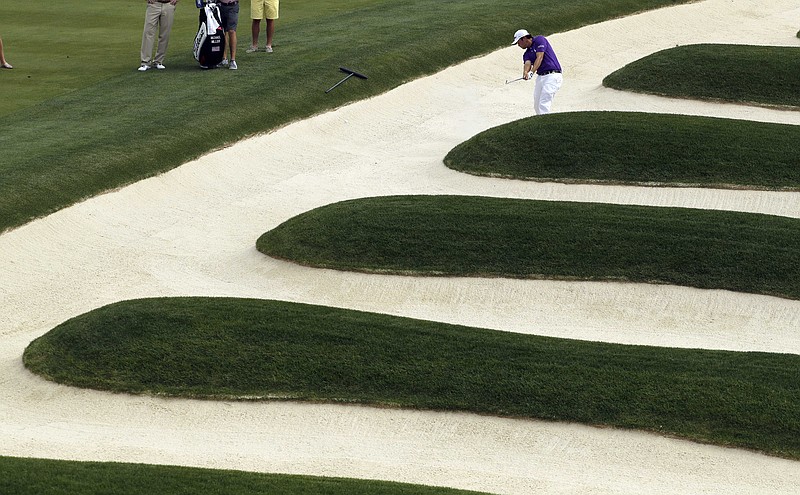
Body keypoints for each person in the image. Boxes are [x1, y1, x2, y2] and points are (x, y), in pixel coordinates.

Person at [512, 29, 563, 115]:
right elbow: (527, 63)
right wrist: (525, 72)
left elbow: (540, 57)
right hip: (541, 78)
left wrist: (531, 72)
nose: (518, 45)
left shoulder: (539, 39)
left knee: (544, 102)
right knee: (537, 105)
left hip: (553, 75)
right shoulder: (526, 53)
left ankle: (545, 123)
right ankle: (541, 122)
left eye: (518, 42)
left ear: (524, 38)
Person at [139, 0, 179, 71]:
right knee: (148, 33)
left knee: (165, 34)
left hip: (168, 4)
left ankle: (158, 61)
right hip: (154, 4)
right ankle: (145, 62)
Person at [218, 0, 239, 69]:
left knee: (231, 31)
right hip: (220, 6)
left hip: (232, 6)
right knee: (222, 31)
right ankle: (224, 58)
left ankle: (233, 60)